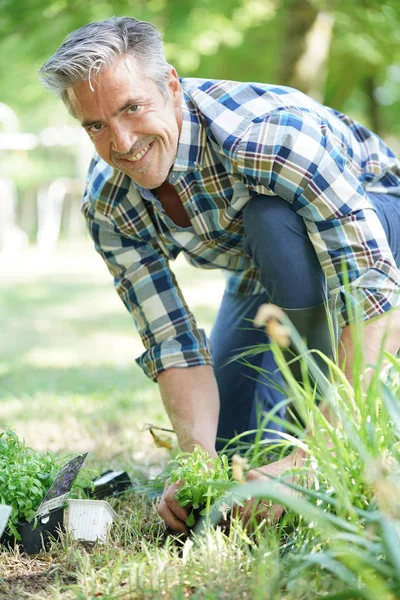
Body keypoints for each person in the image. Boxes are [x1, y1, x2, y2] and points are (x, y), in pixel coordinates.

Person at [40, 17, 400, 534]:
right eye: (96, 126)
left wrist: (311, 456)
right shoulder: (107, 203)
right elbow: (172, 342)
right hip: (261, 272)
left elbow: (372, 290)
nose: (121, 142)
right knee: (228, 453)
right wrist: (196, 464)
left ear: (170, 86)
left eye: (131, 108)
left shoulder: (271, 138)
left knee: (271, 220)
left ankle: (323, 444)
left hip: (380, 237)